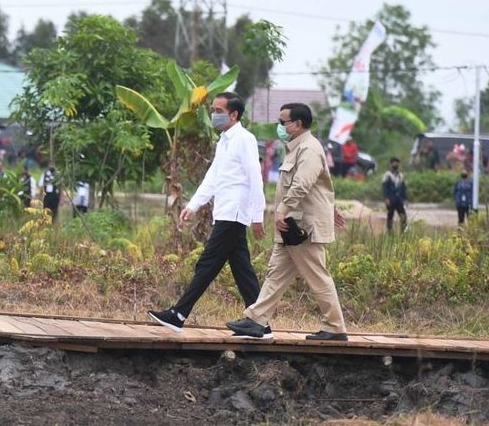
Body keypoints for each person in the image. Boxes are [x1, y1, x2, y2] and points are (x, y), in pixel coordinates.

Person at [226, 103, 349, 342]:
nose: (279, 126)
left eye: (282, 122)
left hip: (303, 228)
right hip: (292, 227)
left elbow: (302, 185)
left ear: (298, 124)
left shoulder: (309, 149)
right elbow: (320, 187)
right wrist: (330, 208)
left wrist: (282, 211)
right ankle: (256, 320)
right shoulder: (296, 148)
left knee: (317, 276)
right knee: (276, 274)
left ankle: (335, 327)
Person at [148, 92, 266, 332]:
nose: (214, 115)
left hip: (234, 212)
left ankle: (178, 314)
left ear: (234, 115)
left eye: (219, 111)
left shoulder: (244, 139)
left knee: (207, 263)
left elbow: (256, 178)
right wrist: (193, 205)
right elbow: (212, 178)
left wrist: (258, 216)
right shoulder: (224, 142)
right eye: (213, 110)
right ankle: (260, 323)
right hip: (224, 211)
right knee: (242, 269)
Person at [382, 157, 408, 232]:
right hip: (391, 199)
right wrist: (386, 198)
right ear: (391, 164)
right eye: (394, 162)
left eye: (397, 162)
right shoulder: (387, 175)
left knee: (403, 215)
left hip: (399, 199)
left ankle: (403, 232)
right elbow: (385, 187)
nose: (395, 164)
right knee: (390, 215)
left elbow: (403, 188)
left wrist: (405, 198)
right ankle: (390, 232)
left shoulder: (401, 175)